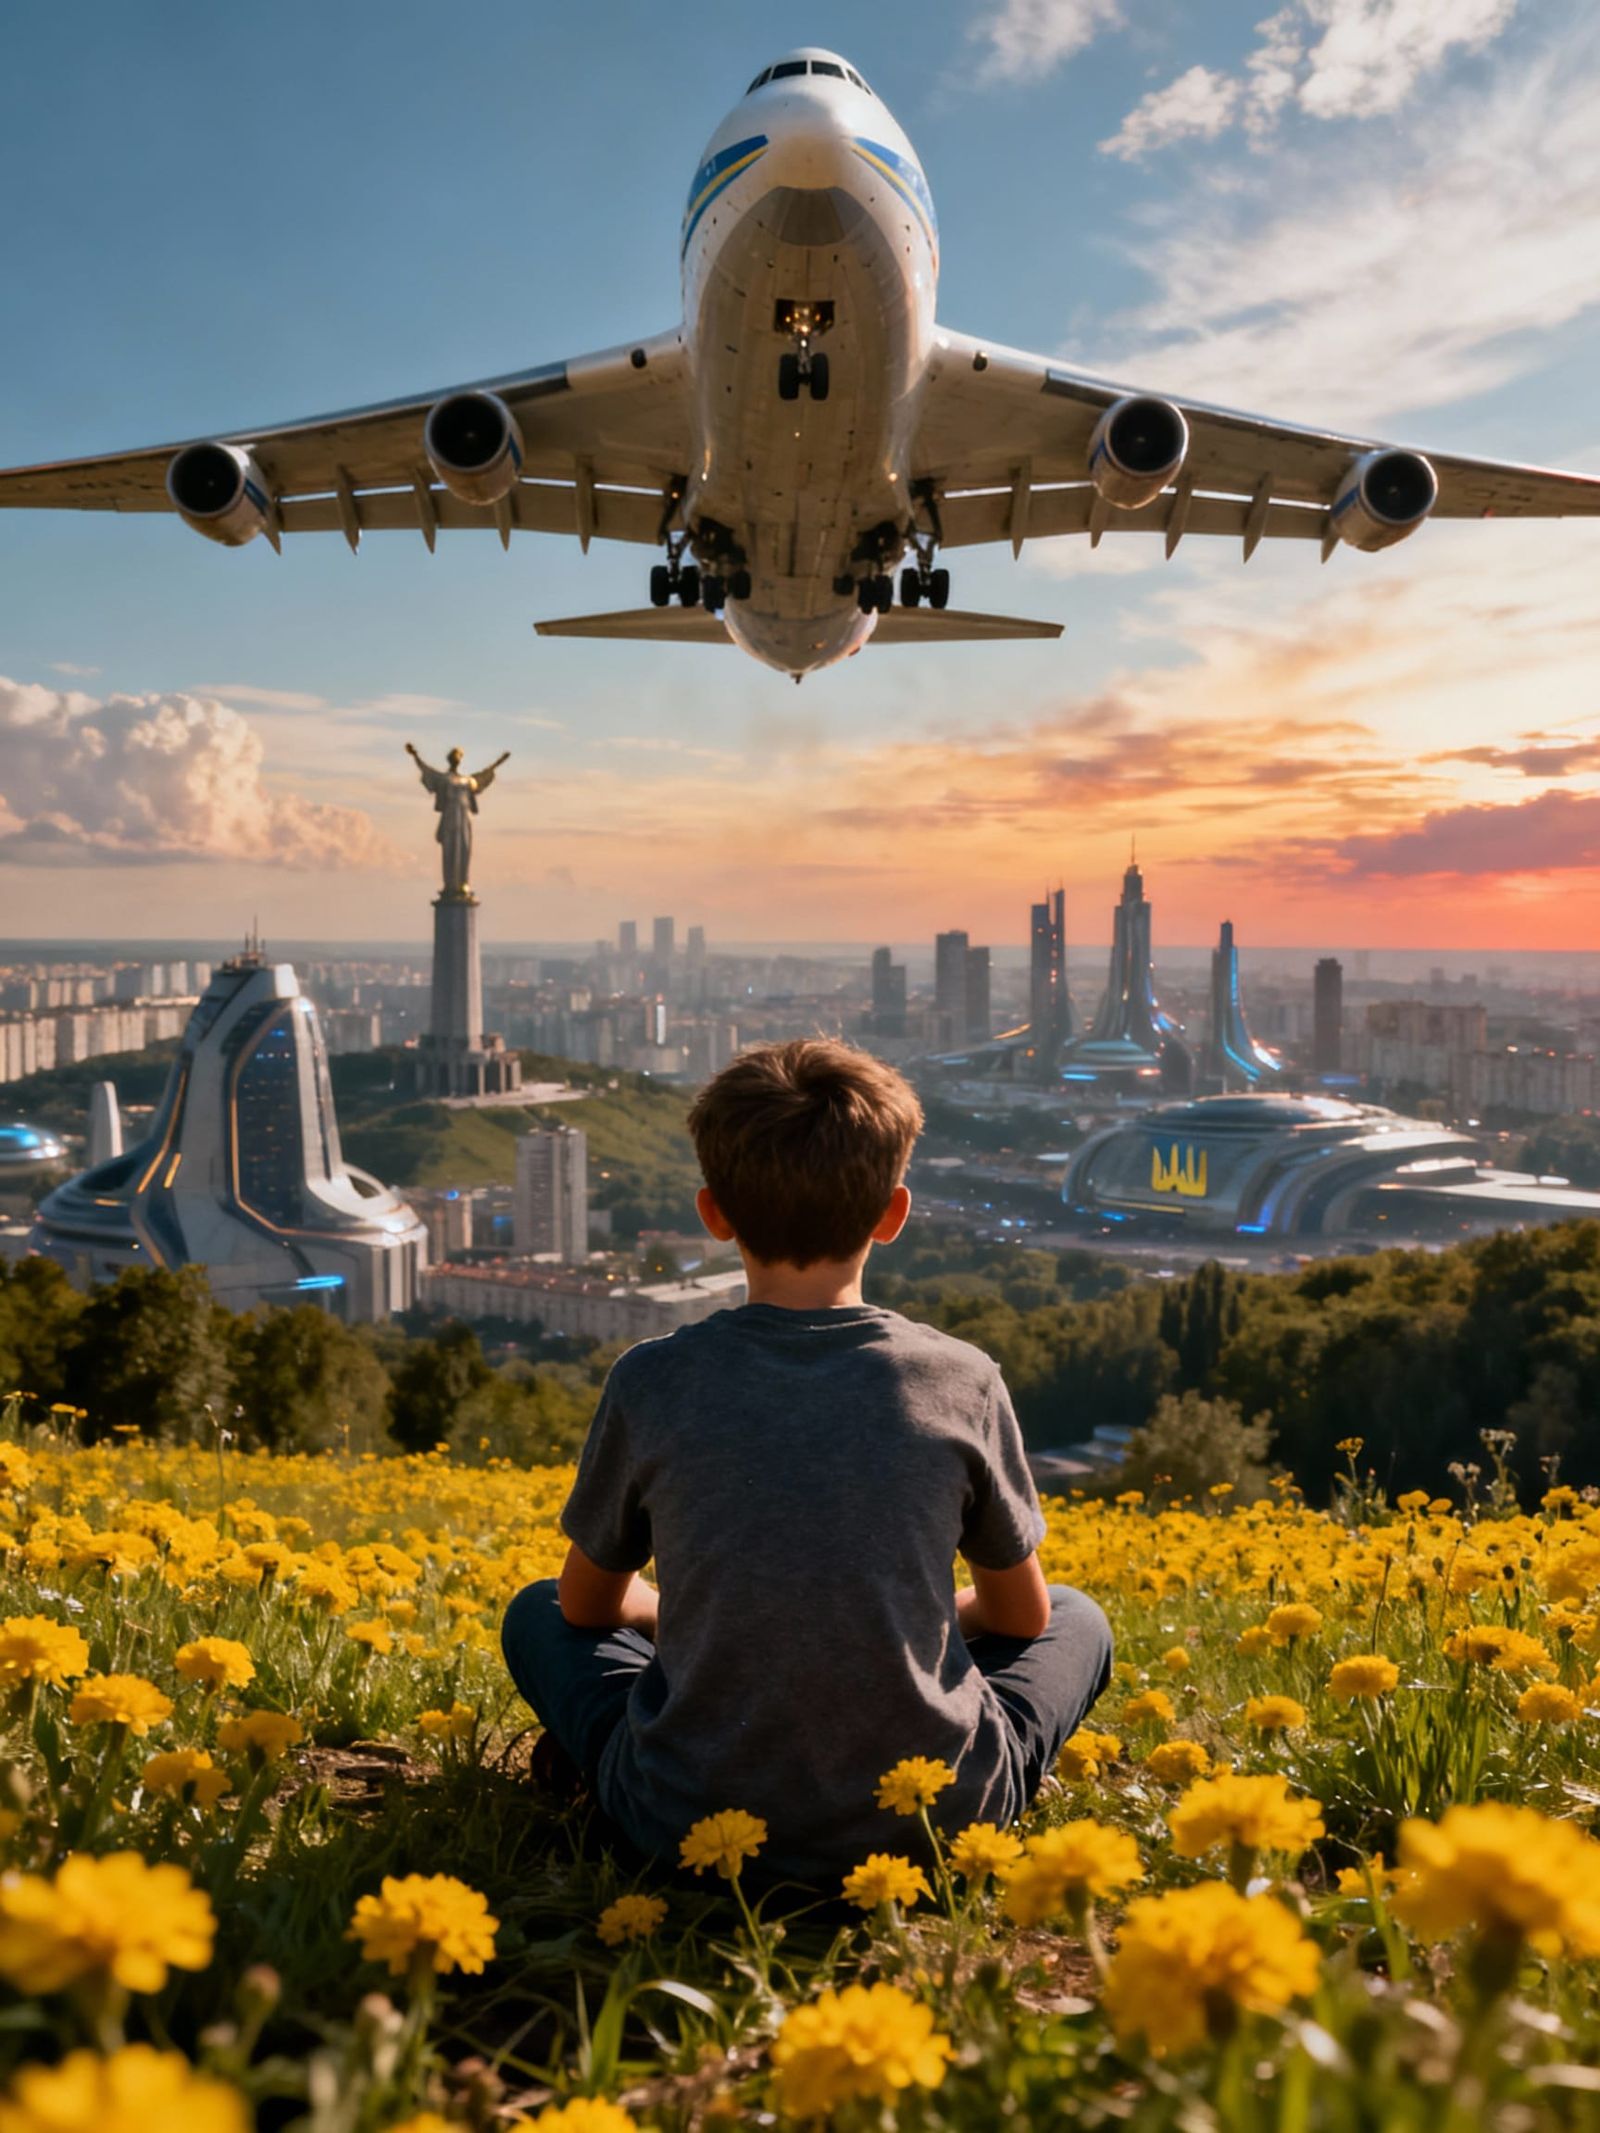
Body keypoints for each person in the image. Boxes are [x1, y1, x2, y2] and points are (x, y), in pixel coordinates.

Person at [500, 1038, 1112, 1884]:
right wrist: (916, 1622)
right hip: (932, 1818)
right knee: (1080, 1615)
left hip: (683, 1816)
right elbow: (1022, 1619)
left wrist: (677, 1616)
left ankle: (609, 1773)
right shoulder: (962, 1379)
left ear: (714, 1213)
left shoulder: (653, 1379)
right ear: (892, 1213)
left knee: (535, 1612)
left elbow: (583, 1602)